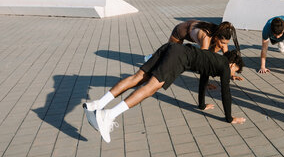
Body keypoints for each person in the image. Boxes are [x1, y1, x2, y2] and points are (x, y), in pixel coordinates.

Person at [84, 43, 245, 143]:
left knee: (137, 77)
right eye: (234, 71)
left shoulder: (213, 59)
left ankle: (98, 104)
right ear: (232, 64)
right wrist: (230, 118)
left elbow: (203, 80)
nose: (232, 75)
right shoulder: (224, 66)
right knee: (150, 88)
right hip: (179, 58)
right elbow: (226, 93)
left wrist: (202, 105)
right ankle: (109, 115)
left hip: (171, 47)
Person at [145, 20, 243, 80]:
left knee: (215, 52)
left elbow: (227, 58)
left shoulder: (220, 34)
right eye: (222, 42)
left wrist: (231, 72)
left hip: (193, 27)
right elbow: (203, 62)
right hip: (181, 31)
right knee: (168, 53)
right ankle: (151, 58)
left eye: (226, 43)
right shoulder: (206, 37)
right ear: (216, 37)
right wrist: (205, 83)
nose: (224, 45)